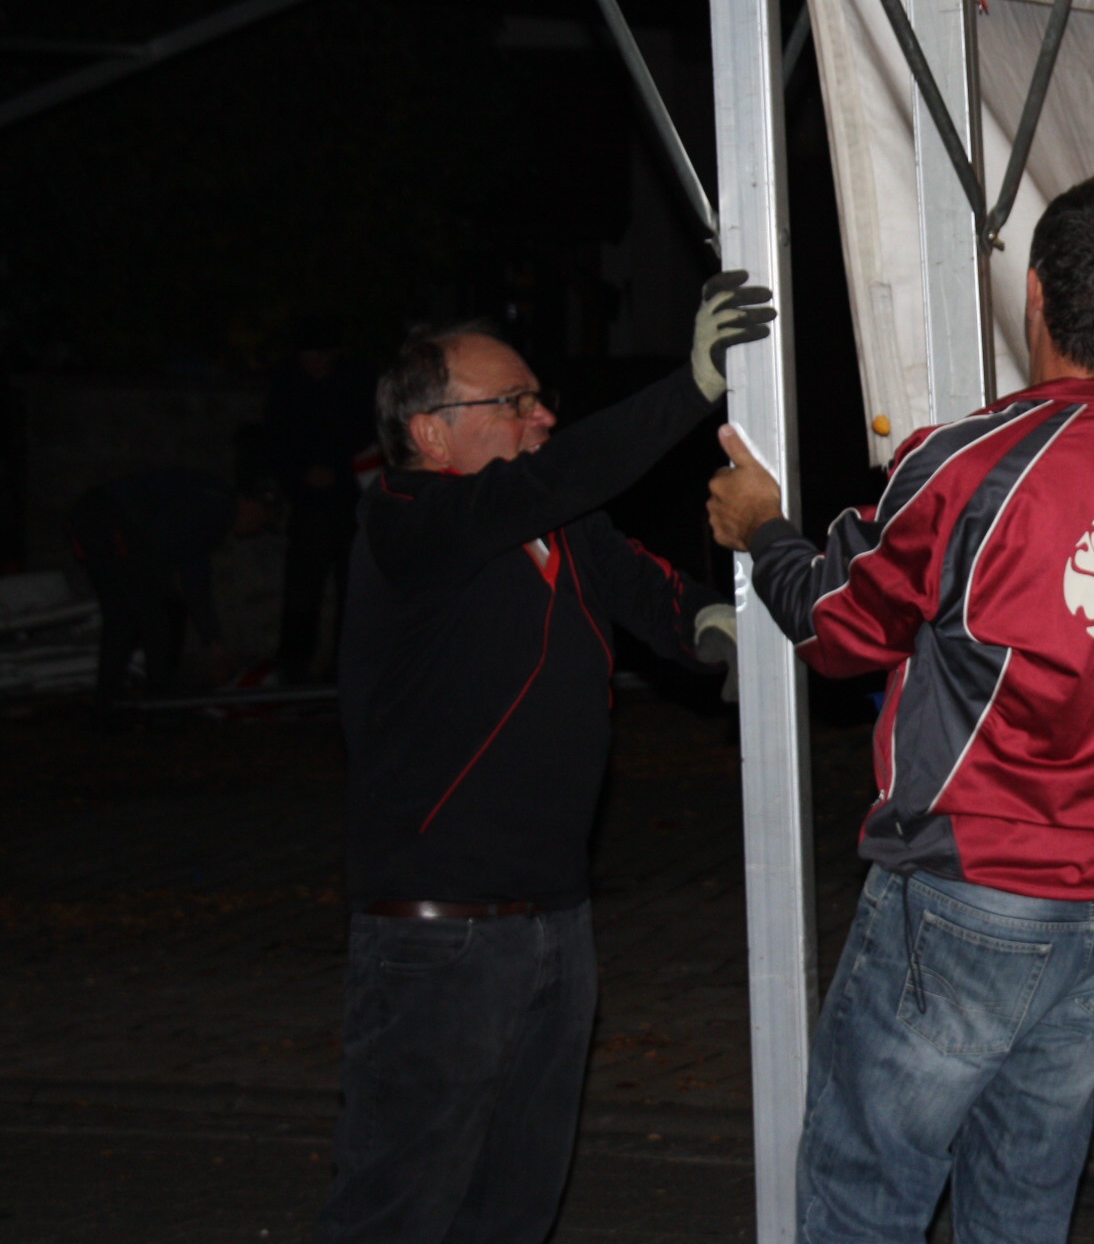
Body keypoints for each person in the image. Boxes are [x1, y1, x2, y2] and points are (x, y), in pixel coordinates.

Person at [704, 173, 1094, 1244]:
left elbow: (837, 626)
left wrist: (764, 529)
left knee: (865, 1199)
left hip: (975, 892)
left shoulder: (971, 464)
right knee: (1023, 1204)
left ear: (1034, 294)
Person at [315, 272, 773, 1244]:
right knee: (397, 1212)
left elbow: (651, 590)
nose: (543, 415)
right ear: (431, 433)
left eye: (539, 396)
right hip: (439, 937)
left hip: (556, 925)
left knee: (515, 1210)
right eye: (513, 402)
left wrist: (714, 625)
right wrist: (690, 386)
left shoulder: (559, 528)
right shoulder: (408, 516)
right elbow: (560, 476)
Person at [69, 468, 275, 700]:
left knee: (125, 618)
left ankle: (111, 701)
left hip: (95, 518)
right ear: (251, 504)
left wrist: (213, 643)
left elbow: (187, 566)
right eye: (261, 521)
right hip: (109, 519)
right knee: (155, 617)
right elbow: (192, 573)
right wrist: (214, 644)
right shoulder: (216, 506)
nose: (256, 529)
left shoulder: (212, 500)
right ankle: (157, 700)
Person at [264, 314, 378, 682]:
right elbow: (274, 443)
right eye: (310, 355)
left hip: (352, 502)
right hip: (309, 505)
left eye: (324, 354)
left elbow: (374, 440)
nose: (317, 362)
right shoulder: (287, 387)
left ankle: (346, 672)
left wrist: (341, 471)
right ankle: (294, 669)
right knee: (302, 588)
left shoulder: (358, 384)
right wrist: (300, 474)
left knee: (353, 590)